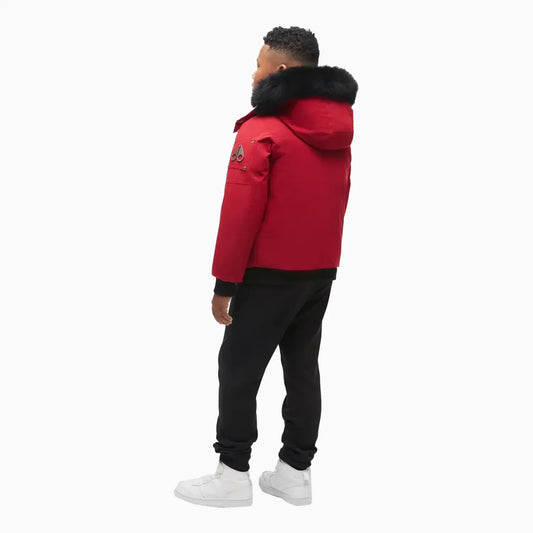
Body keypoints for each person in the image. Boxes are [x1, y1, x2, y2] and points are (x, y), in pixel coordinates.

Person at [174, 25, 358, 507]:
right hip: (319, 272)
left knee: (237, 367)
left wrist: (225, 282)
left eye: (258, 64)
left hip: (267, 272)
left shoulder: (262, 129)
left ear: (279, 70)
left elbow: (240, 212)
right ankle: (295, 473)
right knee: (302, 367)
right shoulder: (340, 130)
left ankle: (233, 473)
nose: (253, 73)